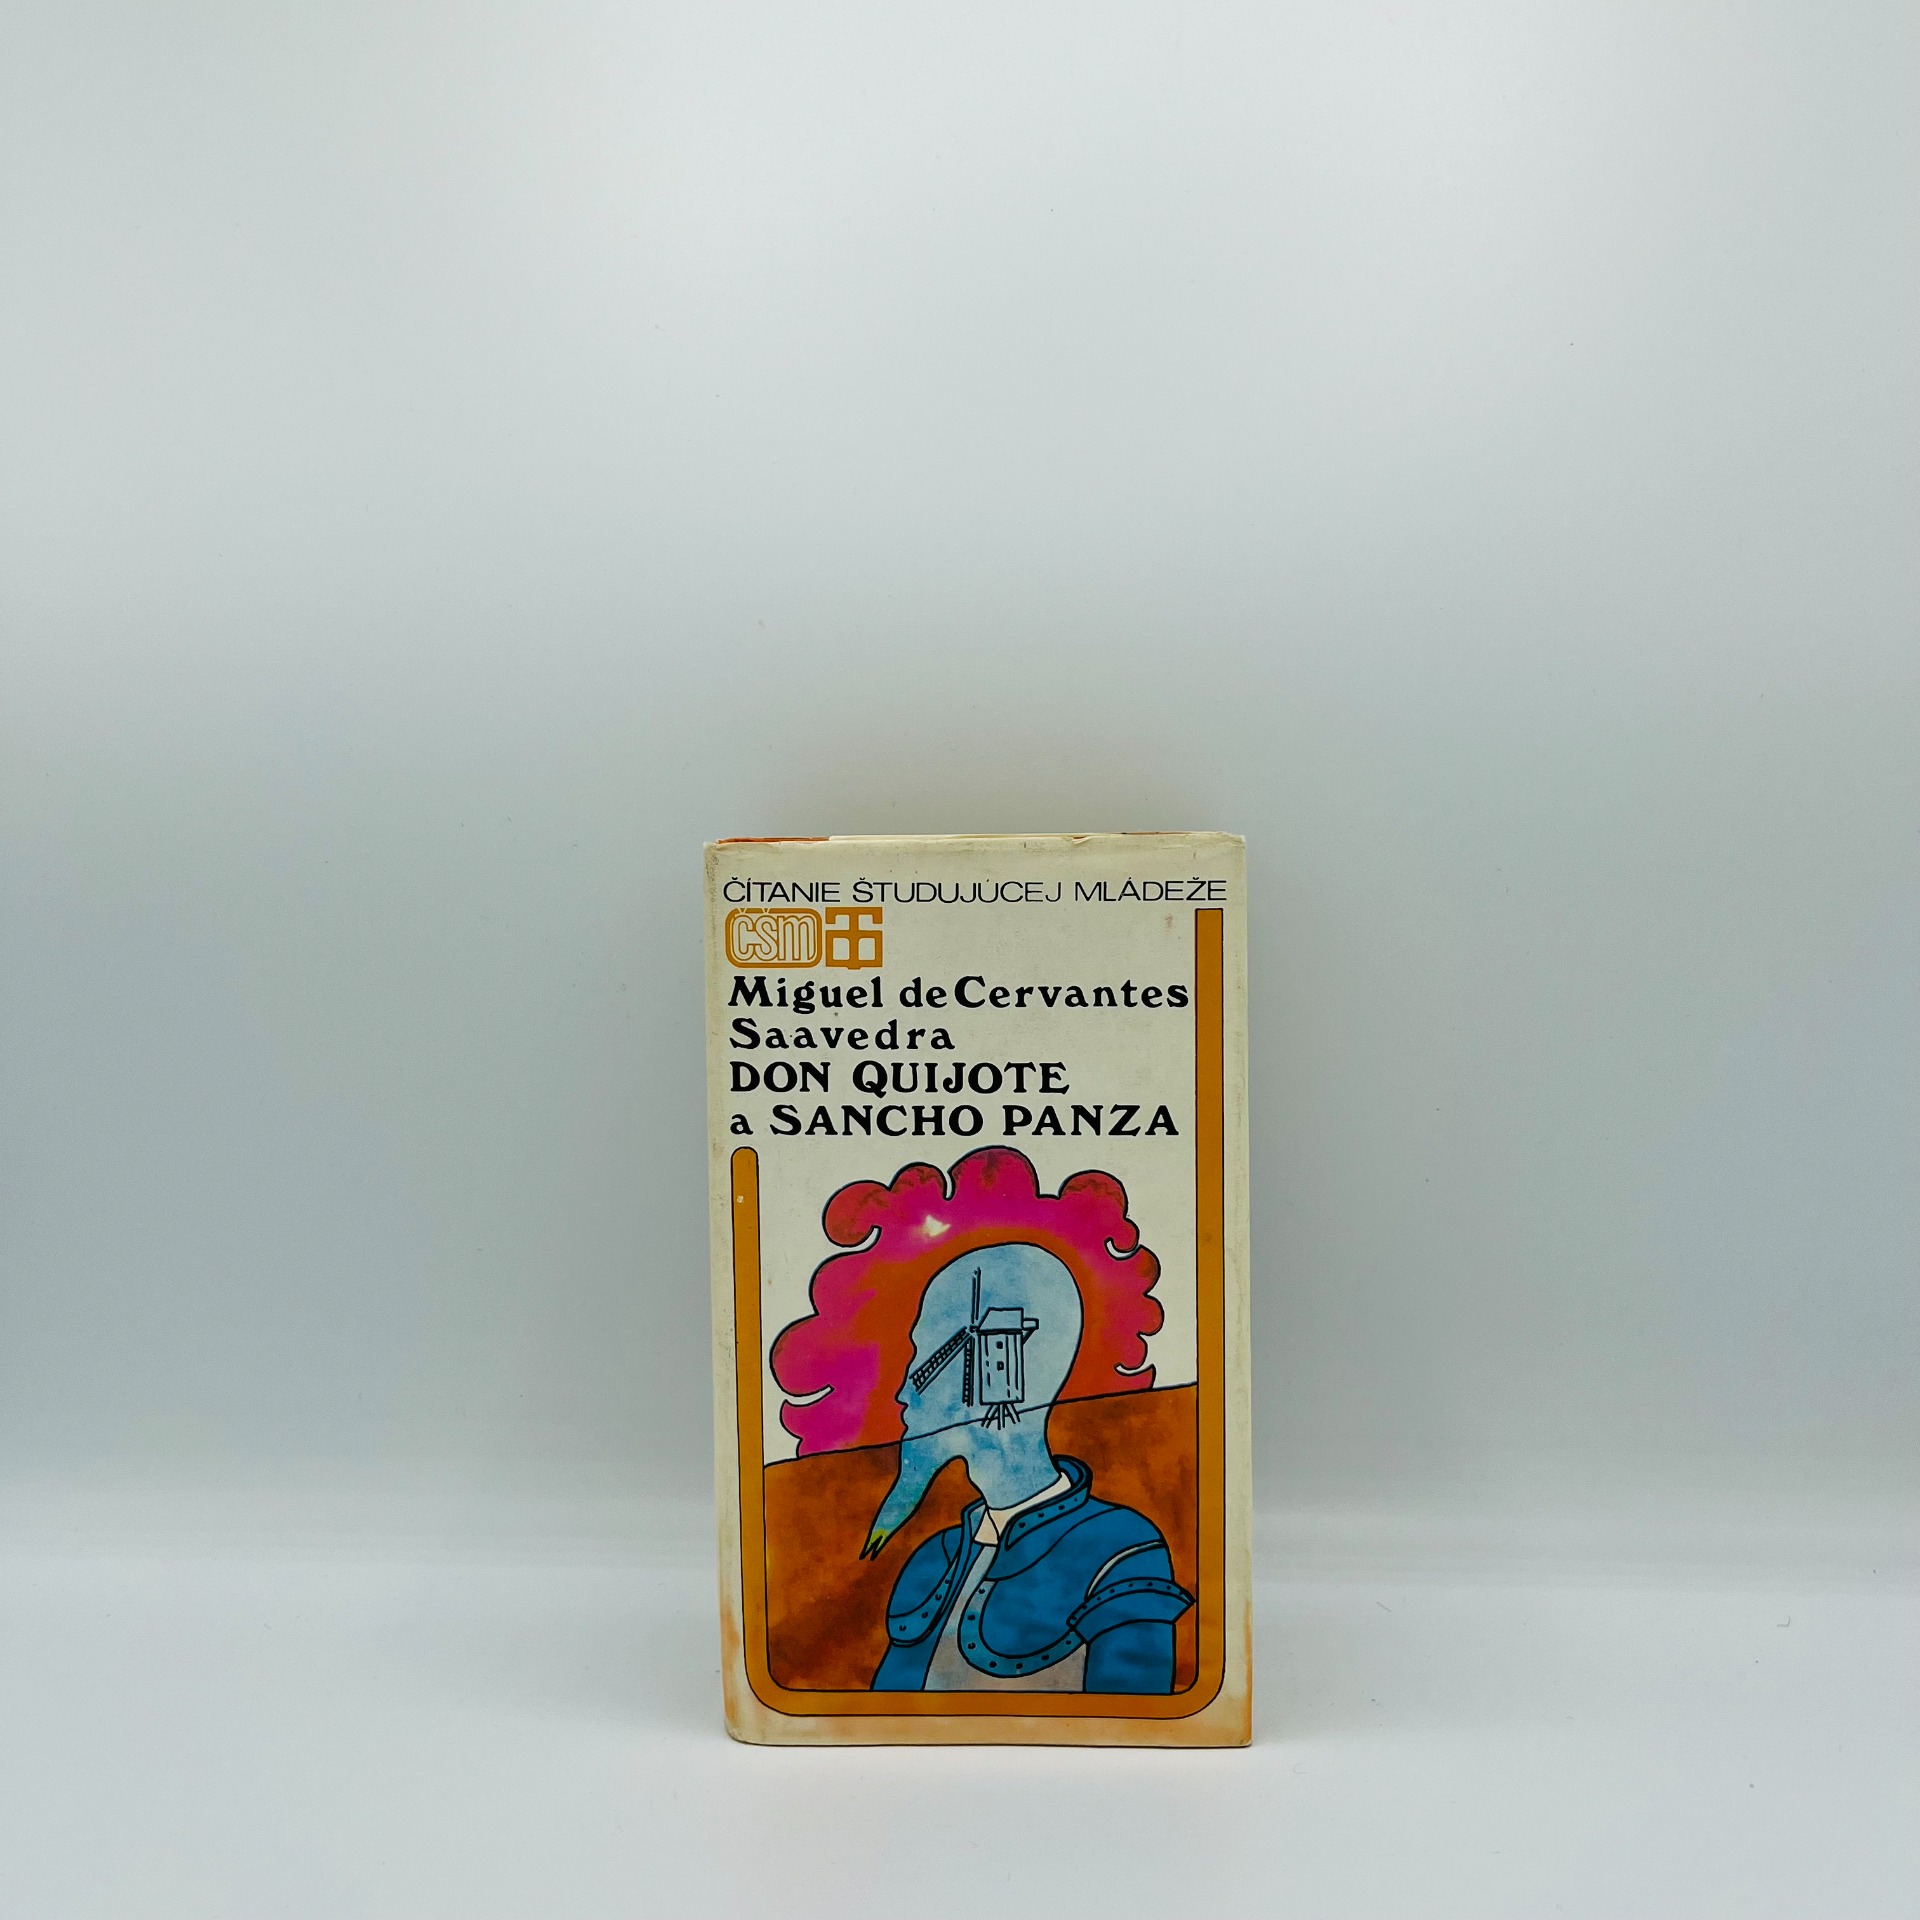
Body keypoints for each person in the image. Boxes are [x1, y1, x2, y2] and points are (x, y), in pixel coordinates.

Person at [862, 1242, 1193, 1692]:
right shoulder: (934, 1558)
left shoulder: (1119, 1551)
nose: (904, 1392)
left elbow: (1132, 1723)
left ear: (997, 1364)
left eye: (926, 1357)